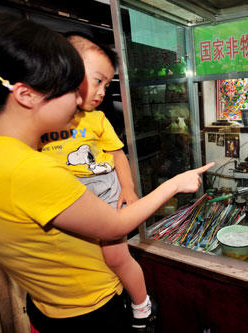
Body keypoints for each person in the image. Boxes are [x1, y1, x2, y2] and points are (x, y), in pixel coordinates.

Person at [0, 13, 213, 333]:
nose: (80, 99)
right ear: (26, 94)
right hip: (88, 312)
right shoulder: (29, 170)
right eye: (69, 89)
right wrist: (175, 183)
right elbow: (116, 224)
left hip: (47, 306)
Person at [39, 32, 153, 331]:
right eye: (98, 80)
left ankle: (142, 304)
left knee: (116, 256)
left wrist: (128, 189)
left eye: (107, 84)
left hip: (103, 191)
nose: (102, 91)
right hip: (66, 198)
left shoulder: (98, 119)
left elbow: (119, 155)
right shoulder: (42, 120)